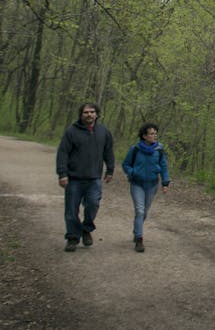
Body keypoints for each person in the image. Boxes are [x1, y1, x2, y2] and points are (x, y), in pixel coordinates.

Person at [56, 102, 115, 251]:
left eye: (92, 112)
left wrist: (110, 170)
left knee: (93, 204)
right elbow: (63, 153)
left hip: (94, 178)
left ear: (97, 114)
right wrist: (62, 174)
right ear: (81, 115)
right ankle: (72, 237)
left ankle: (86, 228)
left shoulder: (103, 132)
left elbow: (108, 152)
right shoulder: (71, 132)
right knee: (71, 210)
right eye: (86, 112)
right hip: (74, 178)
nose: (89, 115)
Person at [121, 123, 171, 252]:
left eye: (155, 133)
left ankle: (136, 229)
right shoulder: (135, 149)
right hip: (137, 184)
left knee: (145, 211)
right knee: (140, 210)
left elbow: (164, 167)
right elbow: (126, 164)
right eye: (151, 134)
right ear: (144, 136)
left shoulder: (159, 150)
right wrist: (132, 172)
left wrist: (165, 183)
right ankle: (139, 239)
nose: (154, 136)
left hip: (152, 185)